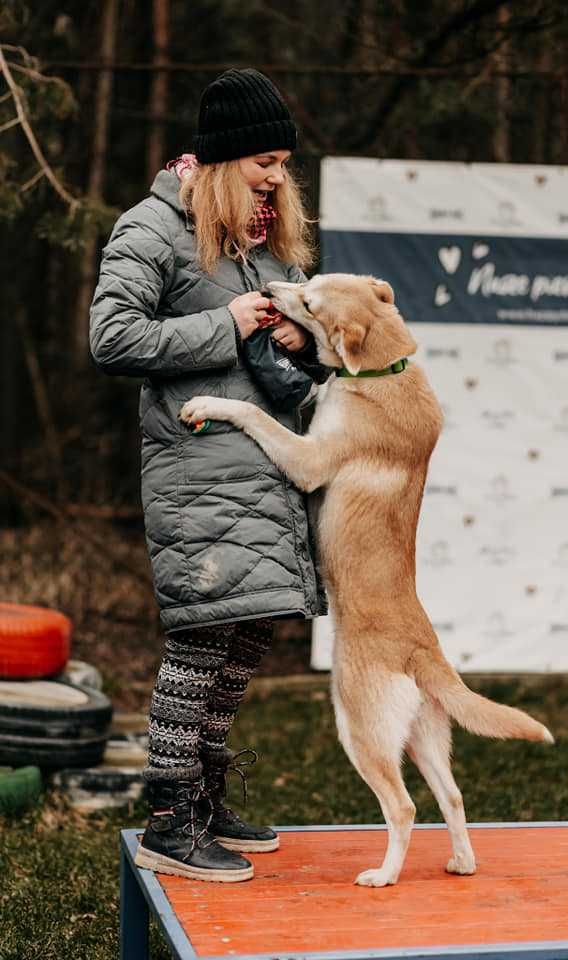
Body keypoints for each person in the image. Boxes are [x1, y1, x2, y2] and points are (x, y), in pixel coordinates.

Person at [89, 68, 328, 882]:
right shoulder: (153, 228)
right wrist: (222, 323)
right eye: (263, 158)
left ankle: (207, 794)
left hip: (265, 470)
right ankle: (166, 816)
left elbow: (294, 339)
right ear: (223, 158)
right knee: (198, 641)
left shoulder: (252, 243)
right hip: (197, 472)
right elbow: (113, 337)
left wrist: (301, 341)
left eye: (283, 161)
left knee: (247, 630)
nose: (276, 175)